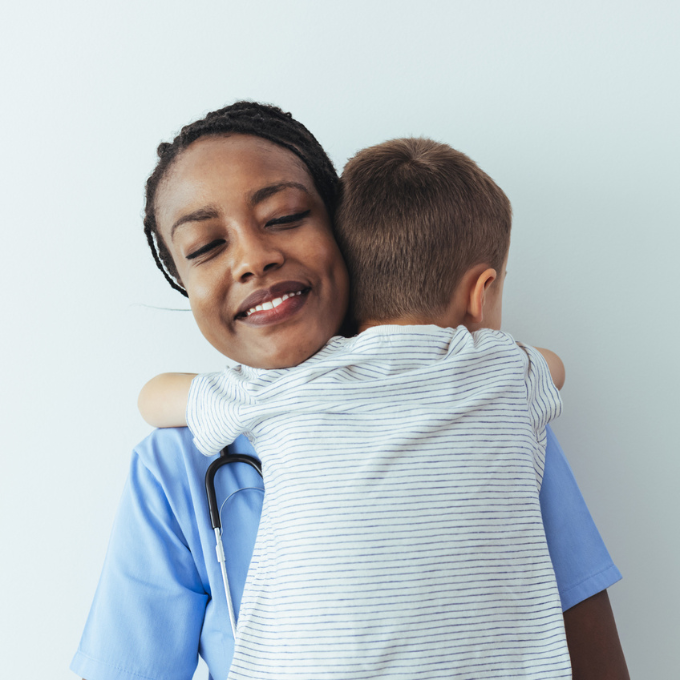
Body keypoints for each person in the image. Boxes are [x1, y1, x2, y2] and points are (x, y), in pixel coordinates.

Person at [71, 102, 628, 680]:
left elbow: (597, 661)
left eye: (285, 216)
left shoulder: (490, 417)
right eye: (205, 248)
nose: (253, 259)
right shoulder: (174, 467)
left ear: (344, 229)